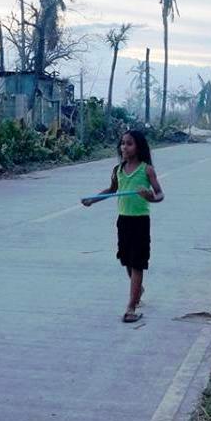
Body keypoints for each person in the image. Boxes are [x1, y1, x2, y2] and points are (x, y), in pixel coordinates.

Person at [82, 130, 164, 323]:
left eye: (129, 143)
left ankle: (131, 307)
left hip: (140, 221)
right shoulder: (117, 170)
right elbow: (112, 190)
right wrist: (93, 200)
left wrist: (150, 197)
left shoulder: (147, 170)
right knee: (126, 260)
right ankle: (138, 291)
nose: (124, 147)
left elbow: (160, 194)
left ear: (139, 147)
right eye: (122, 143)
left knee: (137, 263)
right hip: (123, 221)